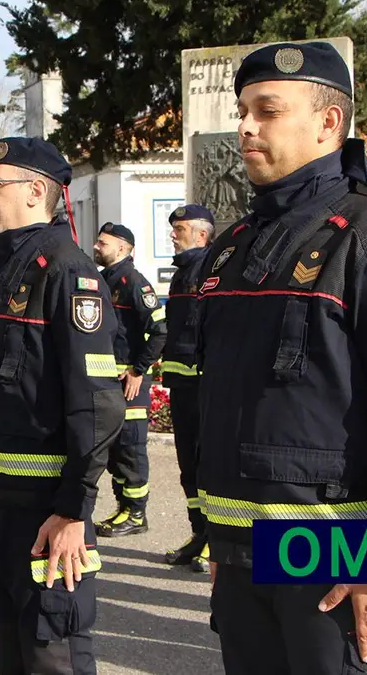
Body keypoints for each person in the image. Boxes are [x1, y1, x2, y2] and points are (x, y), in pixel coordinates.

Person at [194, 41, 367, 675]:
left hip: (338, 571)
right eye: (243, 109)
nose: (245, 126)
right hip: (243, 560)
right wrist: (221, 539)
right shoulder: (232, 249)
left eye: (267, 110)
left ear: (327, 123)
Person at [0, 136, 124, 674]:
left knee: (52, 653)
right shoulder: (7, 271)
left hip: (44, 511)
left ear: (36, 191)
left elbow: (97, 403)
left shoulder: (66, 270)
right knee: (14, 652)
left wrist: (74, 508)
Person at [91, 222, 167, 538]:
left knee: (131, 450)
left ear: (123, 248)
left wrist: (138, 369)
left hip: (129, 382)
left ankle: (136, 514)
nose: (96, 247)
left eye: (102, 243)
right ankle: (124, 508)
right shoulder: (103, 280)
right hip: (109, 380)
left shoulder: (134, 282)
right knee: (117, 452)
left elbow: (160, 331)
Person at [158, 203, 216, 572]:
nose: (173, 235)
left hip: (204, 386)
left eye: (179, 229)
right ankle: (199, 534)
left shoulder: (211, 268)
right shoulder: (183, 274)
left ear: (201, 234)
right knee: (188, 468)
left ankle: (216, 538)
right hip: (182, 385)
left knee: (209, 465)